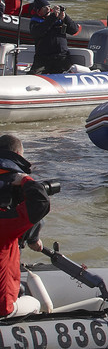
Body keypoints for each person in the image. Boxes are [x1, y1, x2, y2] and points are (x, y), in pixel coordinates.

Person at [1, 134, 51, 318]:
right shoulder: (6, 225)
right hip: (3, 308)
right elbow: (40, 204)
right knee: (36, 302)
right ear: (18, 153)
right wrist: (24, 180)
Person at [26, 0, 78, 75]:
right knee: (33, 74)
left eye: (49, 6)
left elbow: (74, 30)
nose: (48, 9)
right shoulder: (35, 21)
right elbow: (38, 32)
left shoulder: (59, 19)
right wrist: (53, 17)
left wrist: (65, 18)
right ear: (38, 10)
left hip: (61, 56)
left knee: (65, 73)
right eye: (44, 8)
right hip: (43, 57)